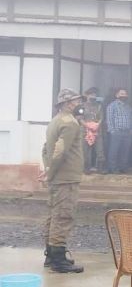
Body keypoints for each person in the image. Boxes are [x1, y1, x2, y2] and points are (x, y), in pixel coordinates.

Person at [40, 89, 86, 274]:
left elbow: (46, 149)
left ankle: (51, 255)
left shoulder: (54, 121)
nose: (78, 103)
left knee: (53, 216)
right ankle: (59, 260)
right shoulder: (70, 123)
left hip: (58, 177)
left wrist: (47, 168)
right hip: (66, 177)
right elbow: (60, 150)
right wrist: (51, 171)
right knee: (63, 216)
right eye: (75, 101)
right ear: (67, 103)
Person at [105, 87, 132, 174]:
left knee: (125, 151)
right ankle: (113, 168)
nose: (124, 96)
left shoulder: (128, 107)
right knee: (114, 151)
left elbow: (131, 118)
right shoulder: (112, 105)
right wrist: (112, 131)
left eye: (125, 94)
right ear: (117, 95)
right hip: (116, 132)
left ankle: (123, 168)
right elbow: (109, 119)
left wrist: (131, 130)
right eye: (121, 94)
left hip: (127, 132)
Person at [80, 87, 103, 174]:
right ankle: (86, 169)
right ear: (87, 95)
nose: (93, 96)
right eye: (91, 94)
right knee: (85, 151)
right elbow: (80, 118)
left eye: (95, 95)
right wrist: (88, 126)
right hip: (85, 131)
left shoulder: (99, 106)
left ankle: (100, 169)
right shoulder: (81, 106)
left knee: (100, 150)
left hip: (97, 131)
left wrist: (96, 126)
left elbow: (101, 118)